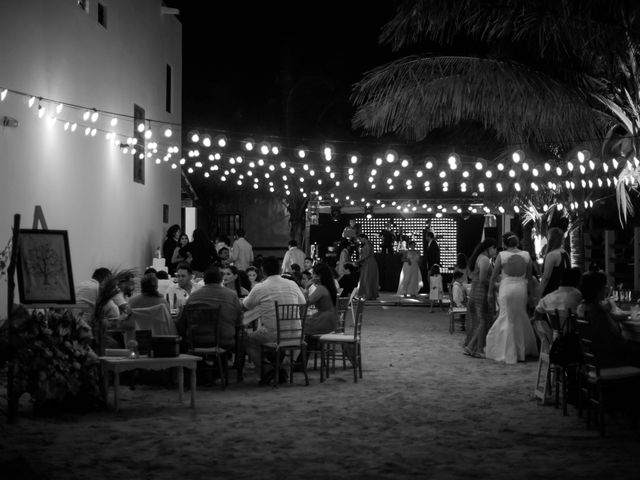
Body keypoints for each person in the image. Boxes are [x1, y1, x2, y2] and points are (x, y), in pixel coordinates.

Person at [241, 256, 306, 382]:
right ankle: (284, 367)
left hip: (273, 335)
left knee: (247, 339)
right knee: (277, 333)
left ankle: (266, 370)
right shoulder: (292, 284)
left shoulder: (260, 287)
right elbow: (303, 303)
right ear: (280, 269)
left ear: (262, 271)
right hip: (296, 333)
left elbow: (245, 306)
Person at [485, 232, 538, 364]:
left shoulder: (502, 255)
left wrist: (490, 293)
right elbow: (529, 278)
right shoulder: (526, 255)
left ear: (504, 244)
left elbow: (493, 277)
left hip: (506, 288)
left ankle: (507, 351)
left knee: (506, 317)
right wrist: (531, 295)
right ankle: (521, 351)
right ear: (517, 242)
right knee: (520, 316)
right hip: (521, 289)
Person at [178, 265, 243, 365]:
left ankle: (196, 369)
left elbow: (183, 321)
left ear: (204, 280)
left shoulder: (193, 296)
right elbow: (239, 321)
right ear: (220, 279)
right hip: (223, 340)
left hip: (196, 340)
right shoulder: (231, 295)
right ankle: (230, 368)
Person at [463, 238, 498, 358]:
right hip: (482, 293)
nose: (495, 251)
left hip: (474, 292)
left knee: (477, 321)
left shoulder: (479, 258)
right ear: (488, 248)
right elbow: (483, 279)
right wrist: (495, 284)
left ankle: (472, 347)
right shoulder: (484, 260)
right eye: (494, 248)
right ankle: (476, 348)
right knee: (483, 321)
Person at [534, 266, 583, 334]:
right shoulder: (577, 295)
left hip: (556, 340)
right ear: (577, 281)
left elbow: (537, 315)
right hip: (577, 338)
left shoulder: (548, 298)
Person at [303, 263, 338, 336]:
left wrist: (306, 288)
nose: (312, 276)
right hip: (331, 319)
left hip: (324, 320)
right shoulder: (328, 287)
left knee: (300, 324)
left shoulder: (321, 288)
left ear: (319, 276)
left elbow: (306, 303)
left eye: (313, 274)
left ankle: (311, 345)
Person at [538, 227, 570, 298]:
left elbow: (546, 277)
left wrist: (539, 294)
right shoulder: (565, 253)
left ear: (550, 239)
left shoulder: (552, 255)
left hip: (552, 294)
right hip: (563, 292)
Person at [356, 234, 379, 300]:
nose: (360, 241)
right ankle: (370, 294)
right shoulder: (369, 244)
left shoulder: (367, 245)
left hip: (369, 263)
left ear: (364, 238)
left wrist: (358, 261)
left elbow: (366, 255)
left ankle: (367, 294)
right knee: (369, 278)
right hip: (369, 262)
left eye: (360, 239)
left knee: (367, 278)